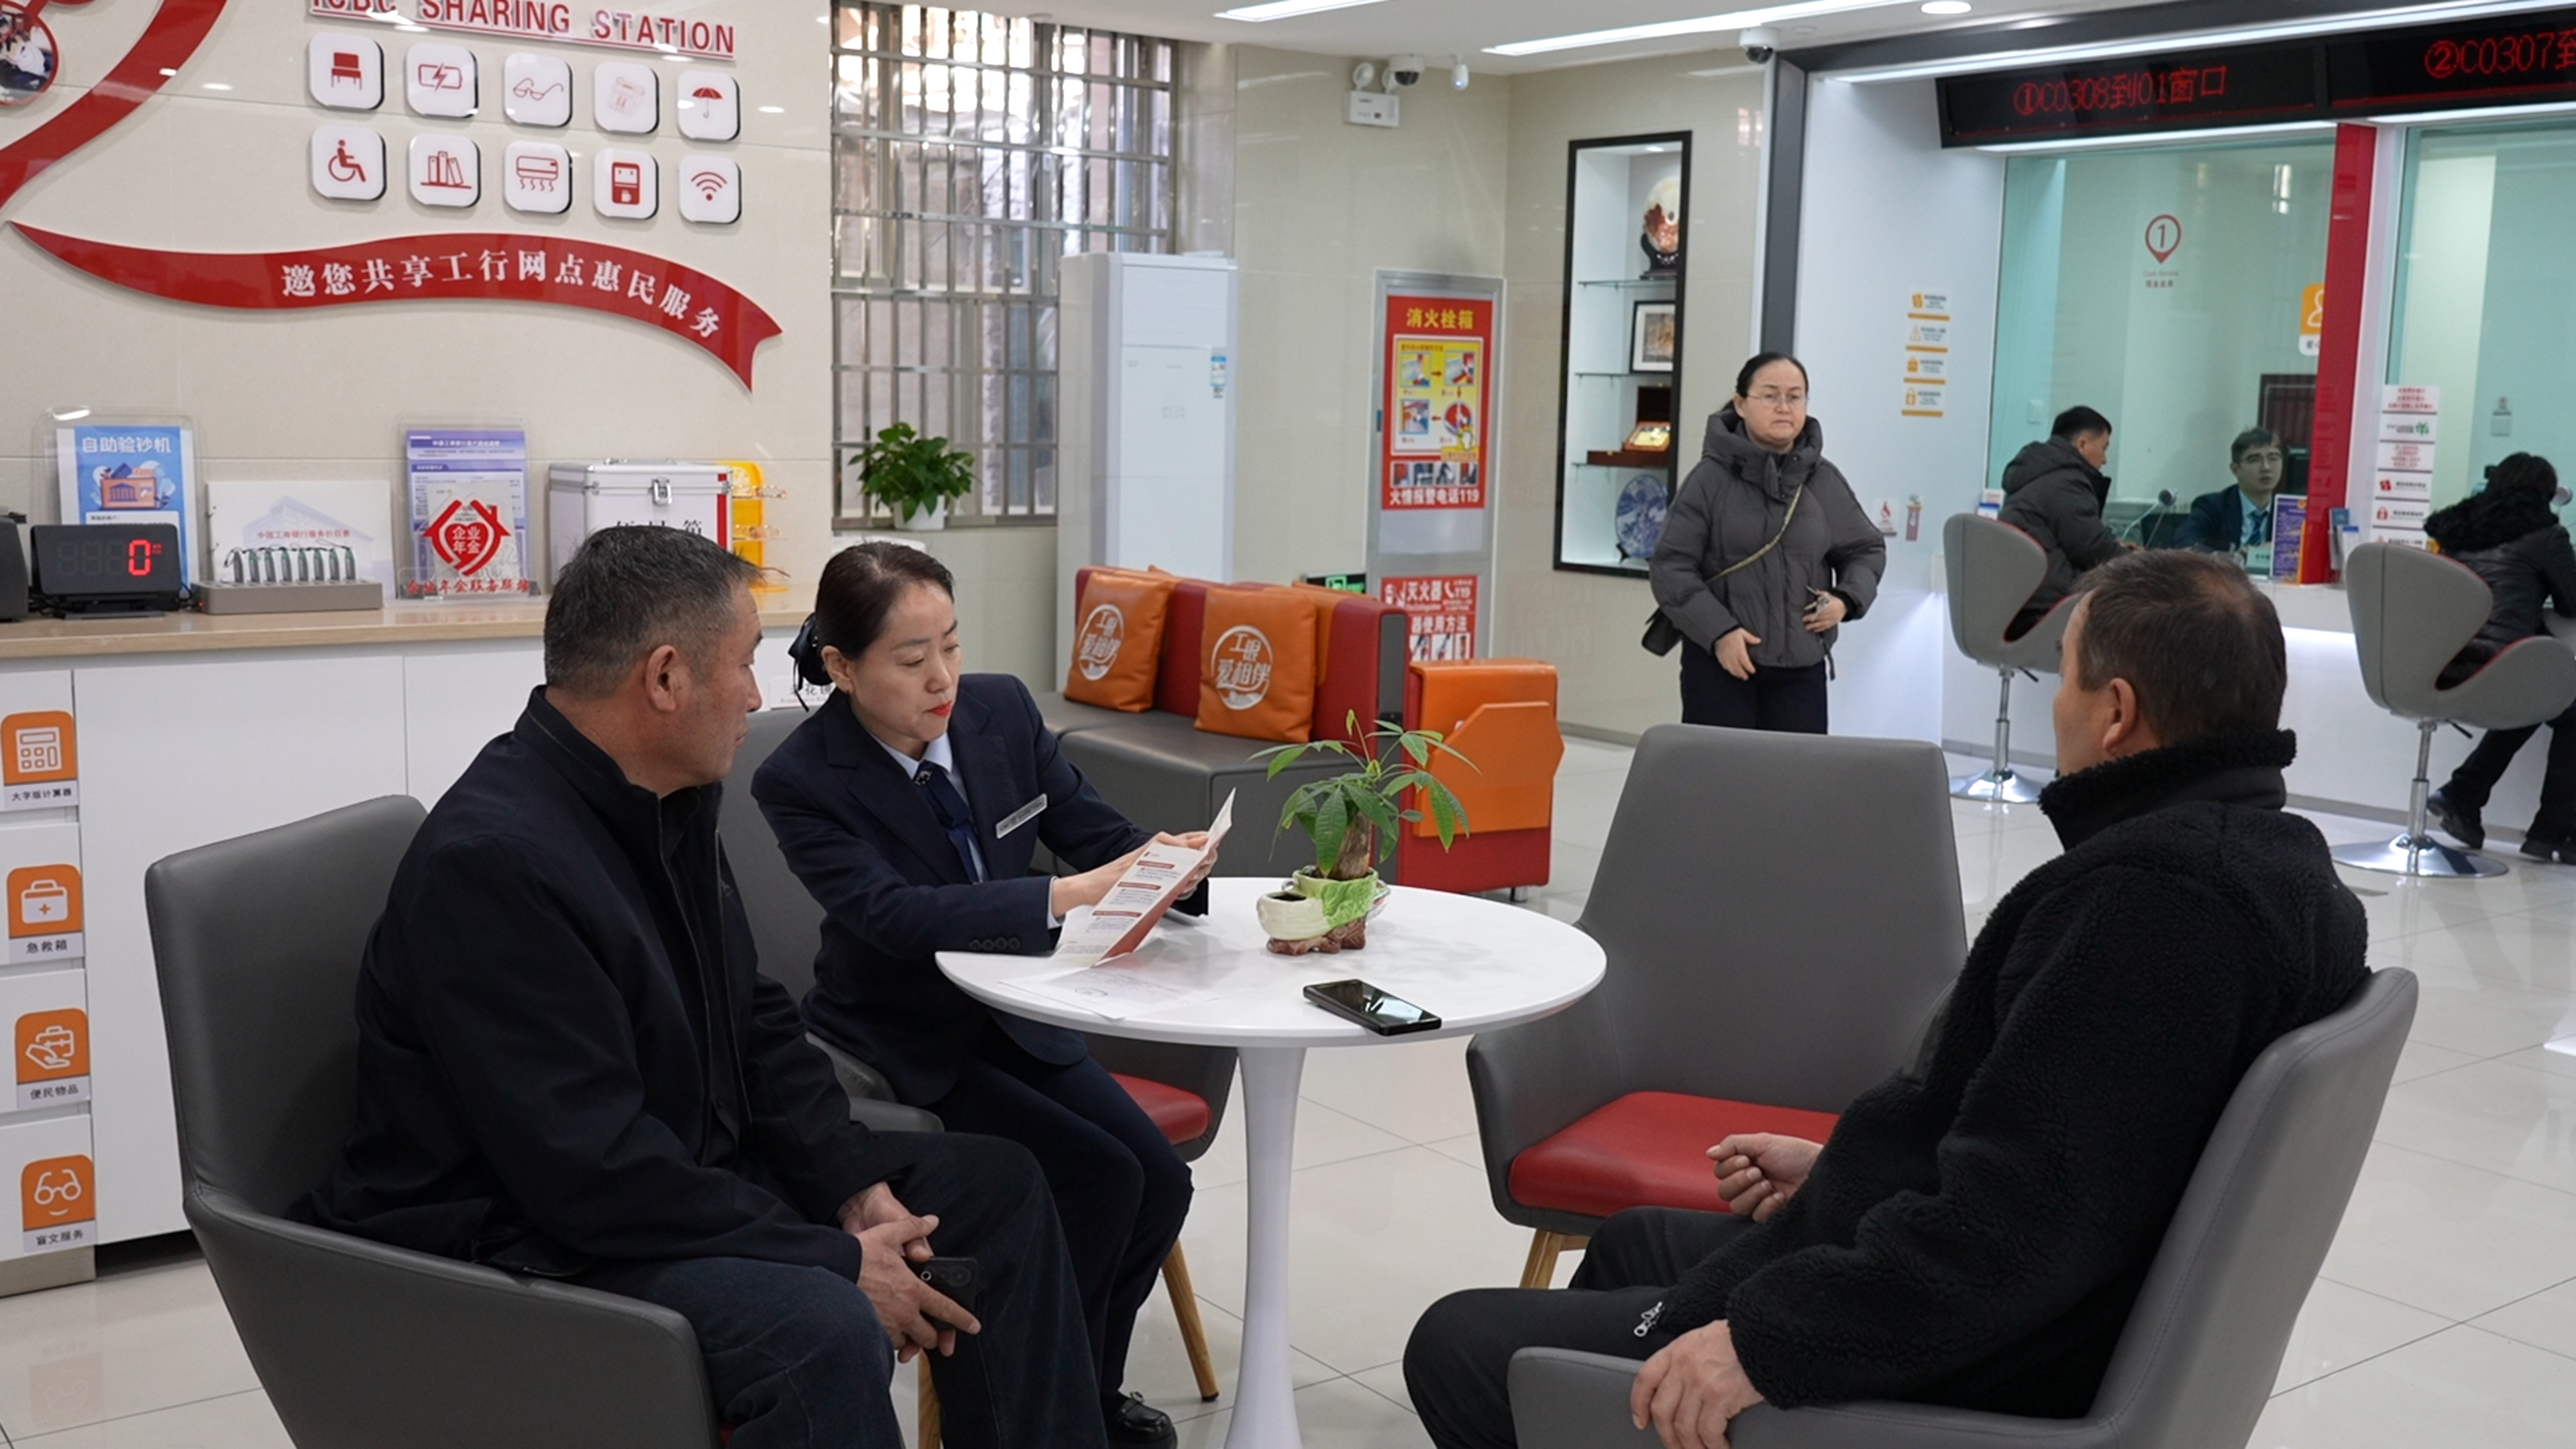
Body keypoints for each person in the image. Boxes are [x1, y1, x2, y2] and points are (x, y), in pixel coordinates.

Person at [1403, 550, 2369, 1449]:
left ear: (2116, 711)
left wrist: (1764, 1343)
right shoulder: (2283, 876)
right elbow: (2081, 1153)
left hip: (1963, 1367)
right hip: (2002, 1309)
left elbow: (2010, 1238)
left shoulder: (2149, 913)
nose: (2056, 704)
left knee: (1459, 1345)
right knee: (1632, 1239)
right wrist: (1850, 1170)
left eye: (2065, 677)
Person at [297, 528, 1104, 1449]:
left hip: (673, 1172)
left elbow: (754, 1022)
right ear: (666, 678)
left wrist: (850, 1187)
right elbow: (589, 1173)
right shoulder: (496, 865)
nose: (759, 696)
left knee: (998, 1187)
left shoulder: (663, 794)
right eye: (746, 663)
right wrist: (838, 1257)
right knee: (822, 1328)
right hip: (524, 1238)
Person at [752, 542, 1215, 1449]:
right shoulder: (801, 778)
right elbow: (892, 914)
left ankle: (1087, 1394)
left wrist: (1171, 866)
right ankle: (1045, 1413)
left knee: (1157, 1183)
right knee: (1097, 1180)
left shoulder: (999, 710)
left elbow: (1090, 828)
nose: (943, 679)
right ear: (842, 668)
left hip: (1020, 1017)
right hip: (905, 1039)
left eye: (952, 645)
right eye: (912, 659)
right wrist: (1065, 896)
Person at [1648, 352, 1885, 734]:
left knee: (1797, 771)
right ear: (1741, 404)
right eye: (1770, 395)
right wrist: (1719, 633)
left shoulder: (1823, 480)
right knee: (1726, 771)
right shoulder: (1709, 480)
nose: (1784, 407)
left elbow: (1865, 549)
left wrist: (1846, 599)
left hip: (1801, 667)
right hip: (1722, 664)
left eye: (1795, 397)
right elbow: (1670, 567)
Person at [2422, 453, 2576, 862]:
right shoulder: (2545, 535)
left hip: (2441, 668)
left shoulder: (2456, 529)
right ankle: (2552, 832)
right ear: (2544, 495)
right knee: (2568, 709)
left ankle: (2464, 794)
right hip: (2498, 668)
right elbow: (2573, 602)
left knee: (2538, 699)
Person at [1996, 405, 2123, 637]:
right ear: (2082, 444)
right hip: (2052, 608)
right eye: (2104, 448)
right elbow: (2092, 549)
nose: (2105, 460)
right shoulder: (2065, 482)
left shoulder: (2034, 474)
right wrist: (2145, 562)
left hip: (2023, 603)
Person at [2176, 428, 2290, 554]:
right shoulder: (2212, 506)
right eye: (2255, 460)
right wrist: (2229, 558)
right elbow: (2183, 543)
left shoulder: (2291, 510)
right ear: (2235, 469)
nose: (2266, 468)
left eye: (2273, 458)